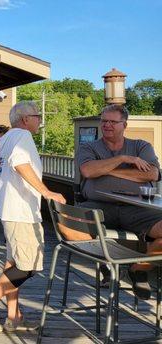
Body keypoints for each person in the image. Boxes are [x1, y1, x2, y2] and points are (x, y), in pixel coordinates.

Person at [0, 101, 66, 333]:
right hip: (21, 212)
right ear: (25, 119)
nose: (39, 121)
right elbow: (20, 164)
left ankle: (13, 316)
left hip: (9, 208)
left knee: (13, 264)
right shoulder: (22, 136)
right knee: (28, 267)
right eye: (37, 116)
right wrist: (47, 191)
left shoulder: (6, 139)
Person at [77, 104, 161, 300]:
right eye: (104, 121)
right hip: (98, 206)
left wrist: (106, 169)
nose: (107, 125)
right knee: (66, 225)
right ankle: (107, 263)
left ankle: (139, 268)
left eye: (112, 122)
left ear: (124, 125)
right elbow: (88, 171)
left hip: (137, 209)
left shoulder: (141, 146)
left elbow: (152, 173)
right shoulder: (88, 147)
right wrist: (124, 159)